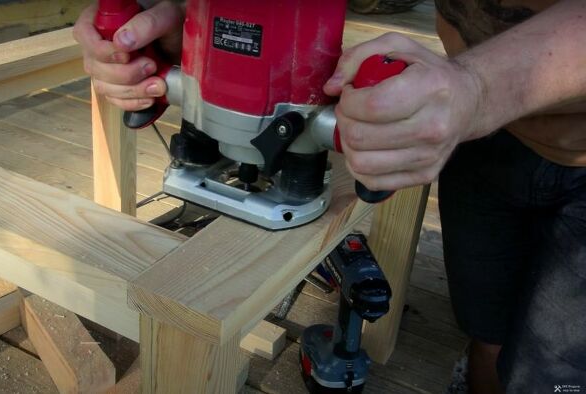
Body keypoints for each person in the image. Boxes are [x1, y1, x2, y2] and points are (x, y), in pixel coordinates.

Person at [73, 1, 586, 392]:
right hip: (481, 133)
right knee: (484, 322)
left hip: (523, 121)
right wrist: (188, 21)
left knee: (555, 373)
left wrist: (475, 87)